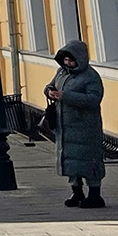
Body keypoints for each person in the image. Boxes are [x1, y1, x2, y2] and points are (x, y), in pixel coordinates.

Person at [45, 41, 105, 208]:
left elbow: (94, 99)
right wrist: (49, 91)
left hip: (85, 127)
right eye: (65, 60)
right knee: (70, 160)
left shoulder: (90, 76)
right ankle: (76, 192)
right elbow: (51, 85)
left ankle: (95, 194)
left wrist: (66, 96)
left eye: (71, 60)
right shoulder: (62, 73)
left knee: (89, 159)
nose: (68, 63)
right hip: (65, 126)